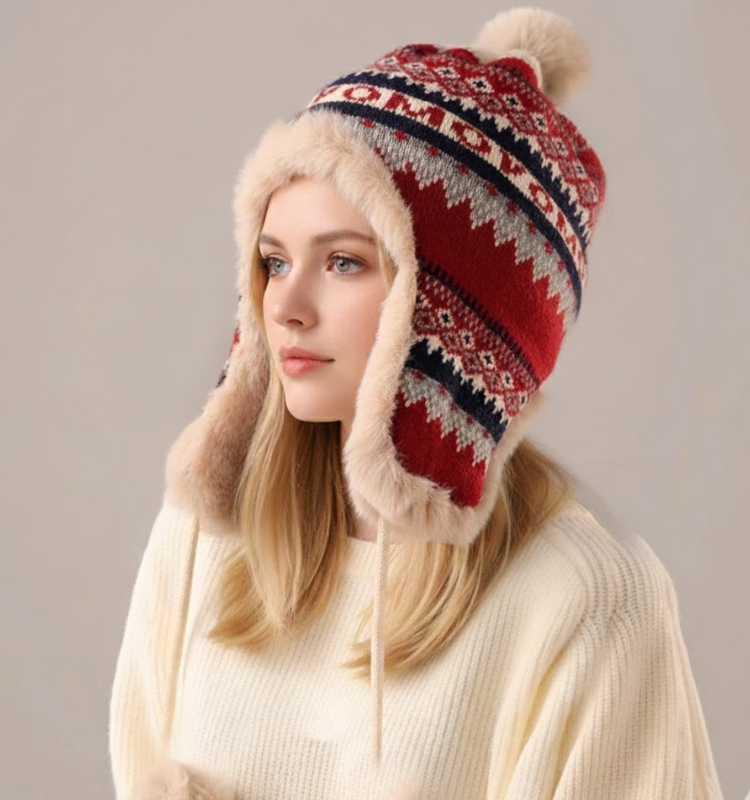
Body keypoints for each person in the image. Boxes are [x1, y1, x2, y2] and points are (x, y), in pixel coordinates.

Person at [108, 8, 725, 800]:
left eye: (343, 262)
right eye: (273, 261)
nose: (283, 306)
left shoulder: (591, 603)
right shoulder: (204, 541)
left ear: (455, 317)